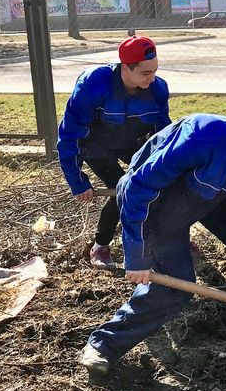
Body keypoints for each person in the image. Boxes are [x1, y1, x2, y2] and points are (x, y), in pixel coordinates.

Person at [79, 111, 226, 374]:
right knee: (176, 286)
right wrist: (137, 256)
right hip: (160, 205)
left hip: (213, 197)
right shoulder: (204, 138)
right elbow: (136, 189)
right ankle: (103, 344)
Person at [58, 36, 170, 269]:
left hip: (134, 143)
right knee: (121, 188)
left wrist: (168, 166)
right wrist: (78, 182)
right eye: (145, 73)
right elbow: (70, 135)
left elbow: (163, 133)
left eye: (155, 71)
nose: (152, 78)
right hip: (98, 147)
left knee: (160, 186)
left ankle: (169, 242)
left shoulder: (157, 89)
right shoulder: (93, 85)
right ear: (126, 68)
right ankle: (100, 246)